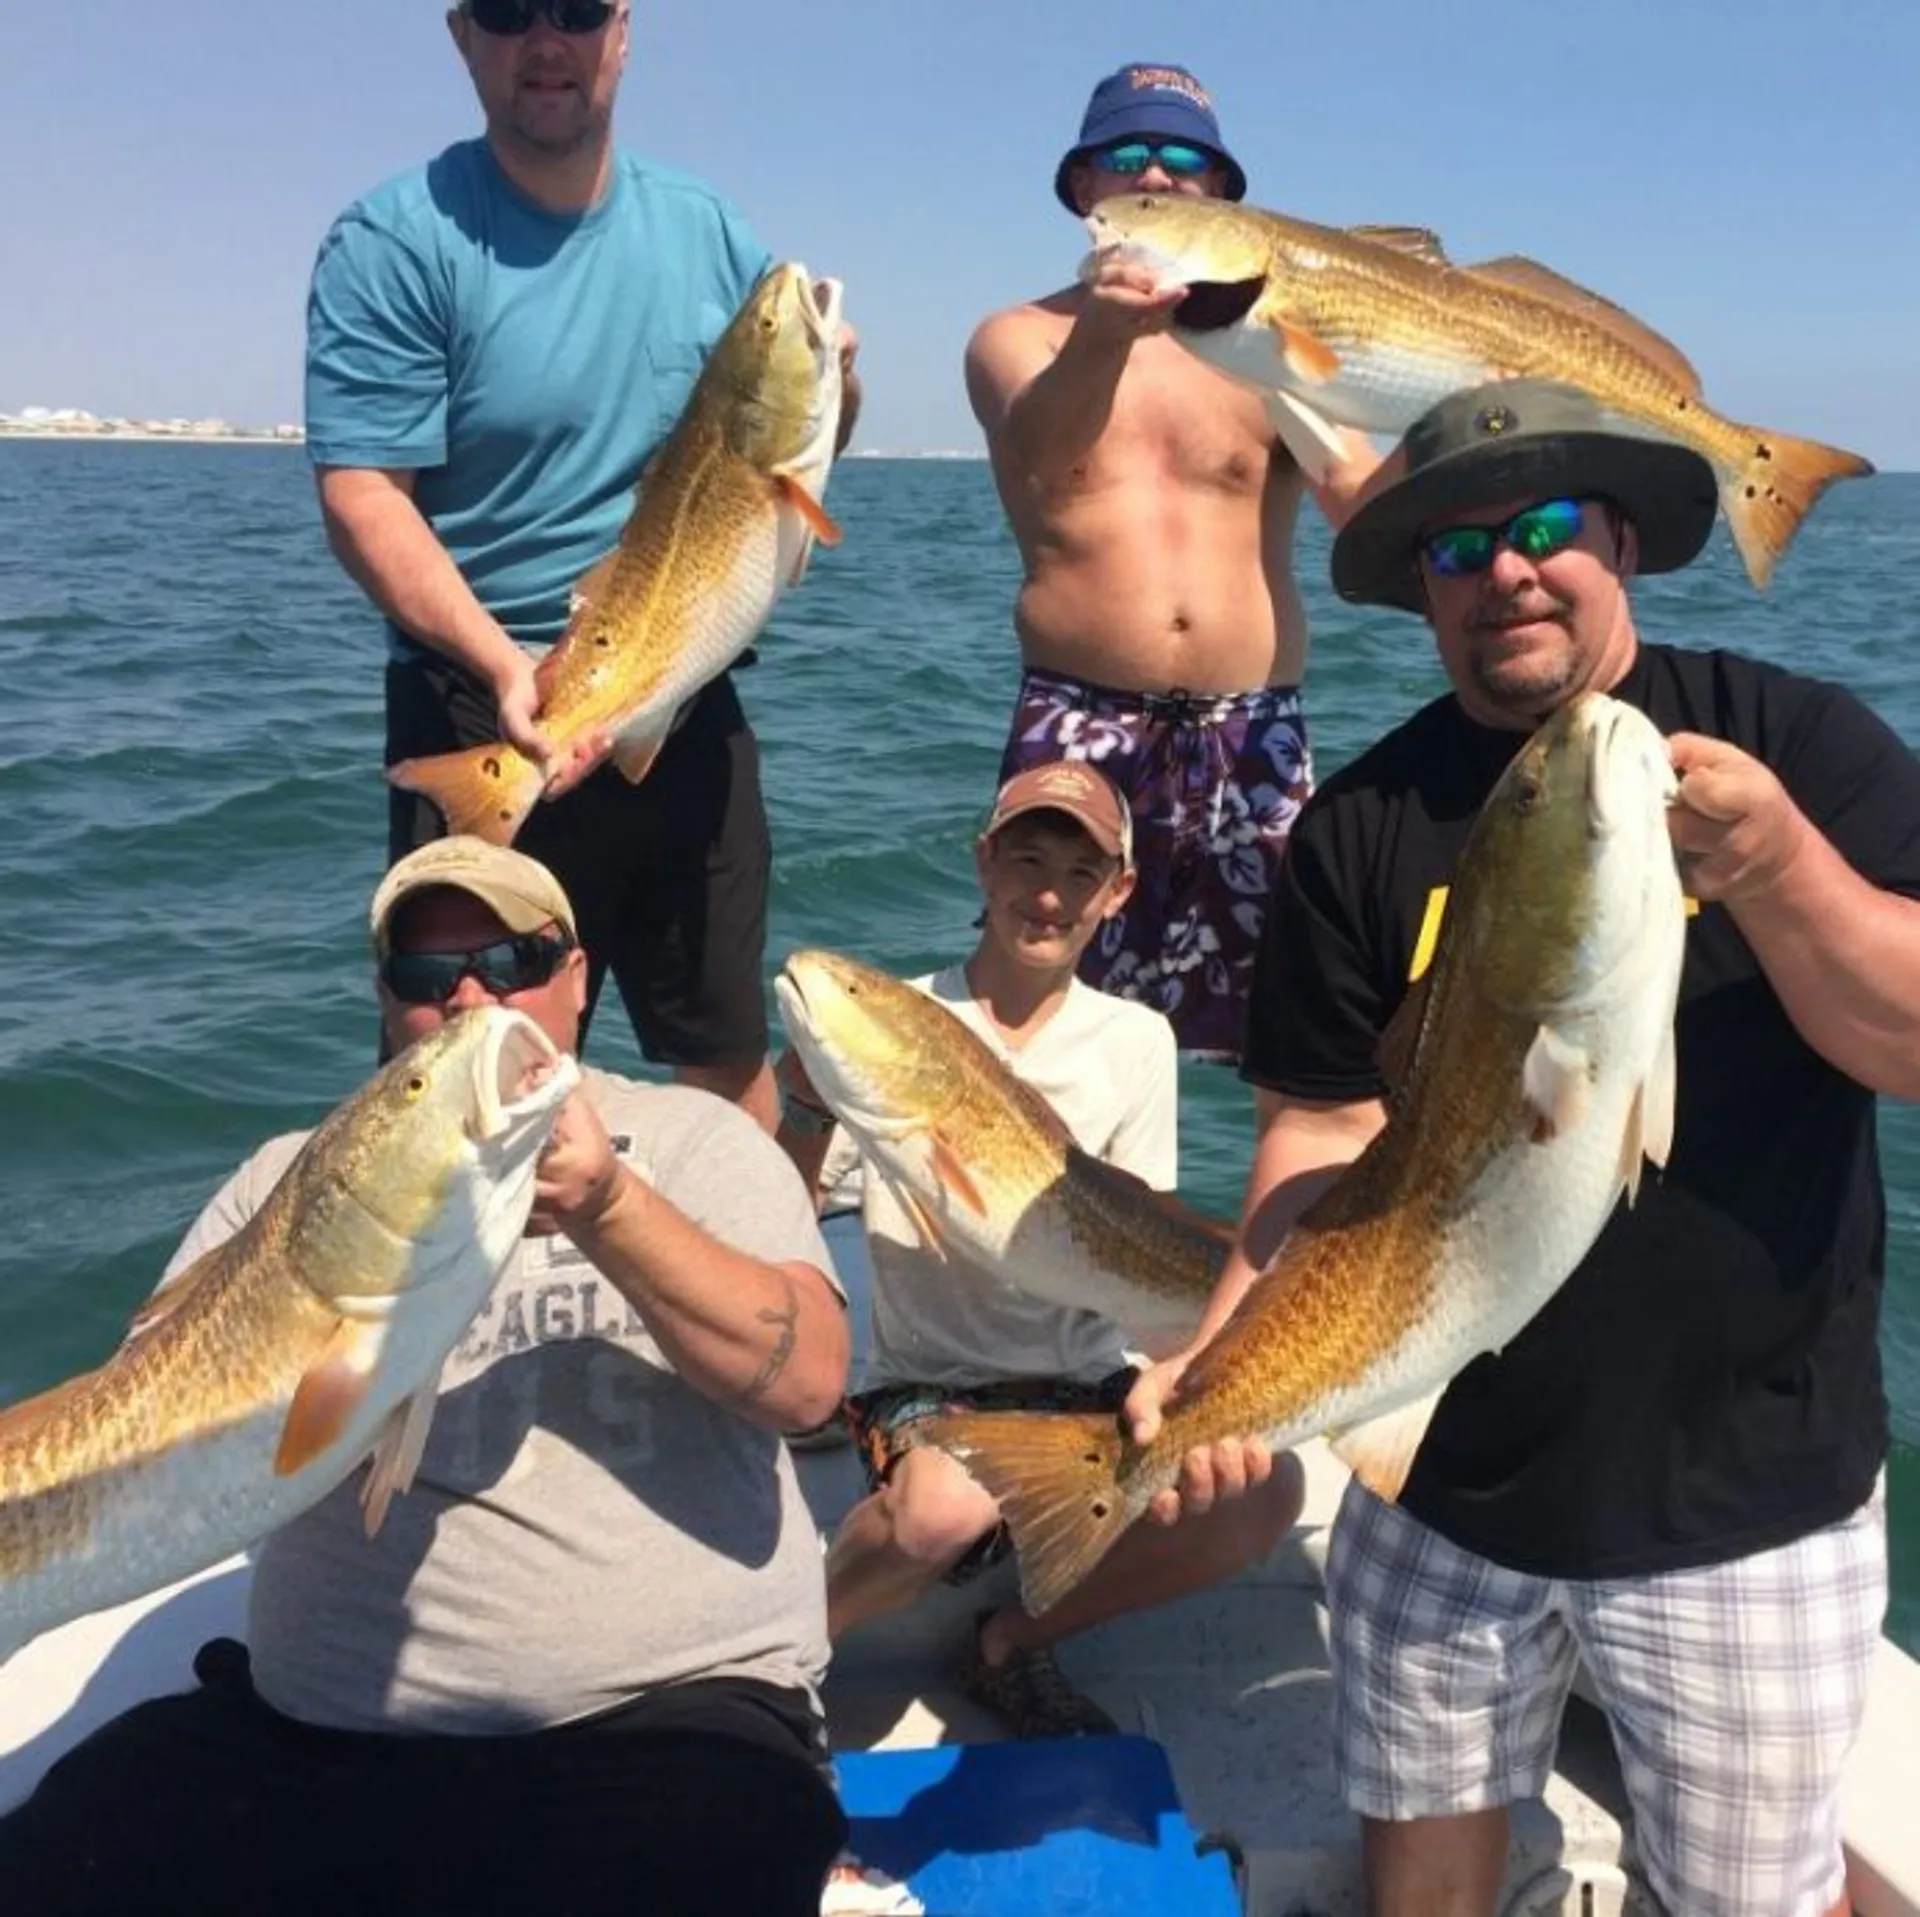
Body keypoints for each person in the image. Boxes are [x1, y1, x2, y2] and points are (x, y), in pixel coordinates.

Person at [1126, 379, 1920, 1917]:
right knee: (1423, 1886)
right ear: (1420, 589)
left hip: (1737, 1500)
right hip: (1444, 1487)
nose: (1506, 569)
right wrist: (1224, 1349)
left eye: (1547, 526)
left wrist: (1777, 869)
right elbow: (1320, 1126)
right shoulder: (1357, 827)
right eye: (1455, 546)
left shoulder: (1791, 742)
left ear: (1622, 538)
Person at [0, 838, 854, 1916]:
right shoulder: (280, 1180)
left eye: (512, 961)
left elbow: (810, 1384)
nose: (470, 1002)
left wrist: (608, 1209)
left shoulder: (697, 1142)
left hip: (658, 1727)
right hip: (314, 1738)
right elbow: (143, 1412)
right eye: (425, 977)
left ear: (581, 977)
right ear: (385, 1000)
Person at [306, 0, 861, 1131]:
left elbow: (785, 457)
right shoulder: (396, 240)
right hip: (481, 693)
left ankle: (740, 1282)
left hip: (683, 692)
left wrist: (836, 387)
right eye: (510, 13)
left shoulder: (705, 228)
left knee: (724, 1049)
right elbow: (365, 493)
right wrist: (503, 665)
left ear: (625, 29)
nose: (544, 41)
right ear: (461, 36)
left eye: (576, 8)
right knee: (460, 1075)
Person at [778, 761, 1304, 1739]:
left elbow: (1140, 1222)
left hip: (1088, 1382)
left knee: (1266, 1490)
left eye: (1080, 869)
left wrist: (1218, 1329)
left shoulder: (1136, 1040)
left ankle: (1013, 1641)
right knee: (937, 1514)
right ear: (983, 864)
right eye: (1025, 858)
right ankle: (777, 1662)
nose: (1049, 893)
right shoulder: (910, 1023)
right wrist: (806, 1100)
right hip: (935, 1384)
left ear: (1120, 892)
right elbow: (784, 1200)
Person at [966, 61, 1380, 1062]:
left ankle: (1280, 1220)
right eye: (1129, 157)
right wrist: (1107, 335)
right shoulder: (1015, 337)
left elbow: (1359, 501)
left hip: (1255, 732)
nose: (1158, 178)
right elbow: (1045, 453)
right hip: (1080, 726)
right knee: (1038, 1029)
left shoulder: (1274, 346)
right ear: (1083, 191)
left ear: (1227, 199)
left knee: (1301, 1029)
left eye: (1186, 161)